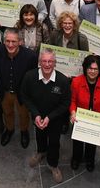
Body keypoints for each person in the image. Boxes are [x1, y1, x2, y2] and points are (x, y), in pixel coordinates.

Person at [20, 49, 71, 183]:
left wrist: (49, 117)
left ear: (55, 63)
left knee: (54, 142)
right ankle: (41, 152)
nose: (47, 64)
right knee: (39, 136)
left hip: (55, 120)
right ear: (39, 63)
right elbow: (25, 96)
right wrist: (36, 115)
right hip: (38, 118)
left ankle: (53, 164)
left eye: (50, 61)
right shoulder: (29, 77)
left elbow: (65, 103)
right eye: (44, 61)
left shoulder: (63, 80)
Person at [69, 54, 100, 172]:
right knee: (77, 142)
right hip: (79, 118)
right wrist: (73, 113)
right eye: (90, 68)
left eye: (95, 69)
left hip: (96, 121)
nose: (92, 71)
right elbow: (72, 101)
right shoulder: (76, 81)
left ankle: (90, 159)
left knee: (91, 143)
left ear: (99, 70)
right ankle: (76, 159)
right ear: (85, 68)